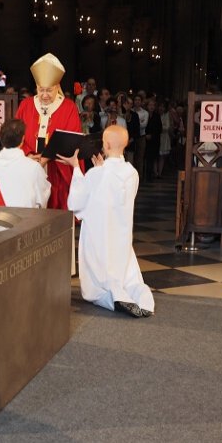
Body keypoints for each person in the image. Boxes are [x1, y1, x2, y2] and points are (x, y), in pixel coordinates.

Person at [60, 124, 154, 318]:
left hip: (99, 234)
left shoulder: (97, 174)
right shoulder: (132, 173)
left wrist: (76, 168)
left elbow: (76, 202)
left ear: (107, 145)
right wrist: (99, 169)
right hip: (121, 233)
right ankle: (142, 300)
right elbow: (114, 191)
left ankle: (114, 299)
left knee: (100, 281)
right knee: (129, 278)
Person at [15, 53, 83, 210]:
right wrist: (29, 155)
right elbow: (16, 134)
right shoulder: (26, 105)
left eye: (49, 90)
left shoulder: (68, 107)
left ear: (57, 87)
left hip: (56, 170)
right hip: (29, 166)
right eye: (41, 90)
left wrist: (46, 158)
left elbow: (71, 139)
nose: (44, 95)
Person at [0, 118, 50, 208]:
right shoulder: (34, 168)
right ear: (23, 139)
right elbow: (42, 199)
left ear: (1, 138)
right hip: (25, 221)